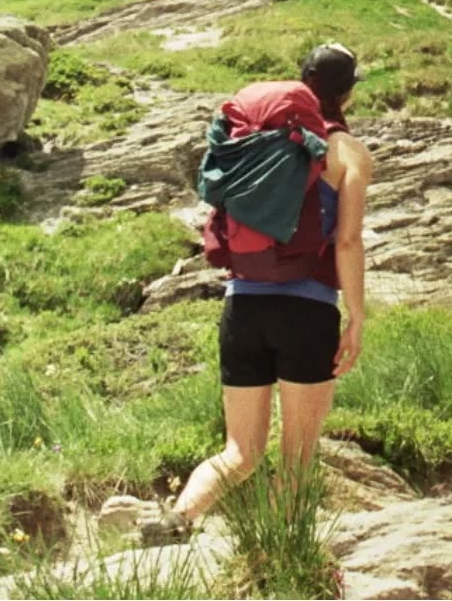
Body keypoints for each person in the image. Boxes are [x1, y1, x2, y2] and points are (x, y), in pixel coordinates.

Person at [159, 43, 374, 535]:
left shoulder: (259, 139)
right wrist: (357, 317)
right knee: (297, 458)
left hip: (242, 309)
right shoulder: (349, 155)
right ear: (348, 95)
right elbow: (348, 240)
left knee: (240, 452)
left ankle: (177, 520)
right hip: (308, 312)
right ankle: (278, 562)